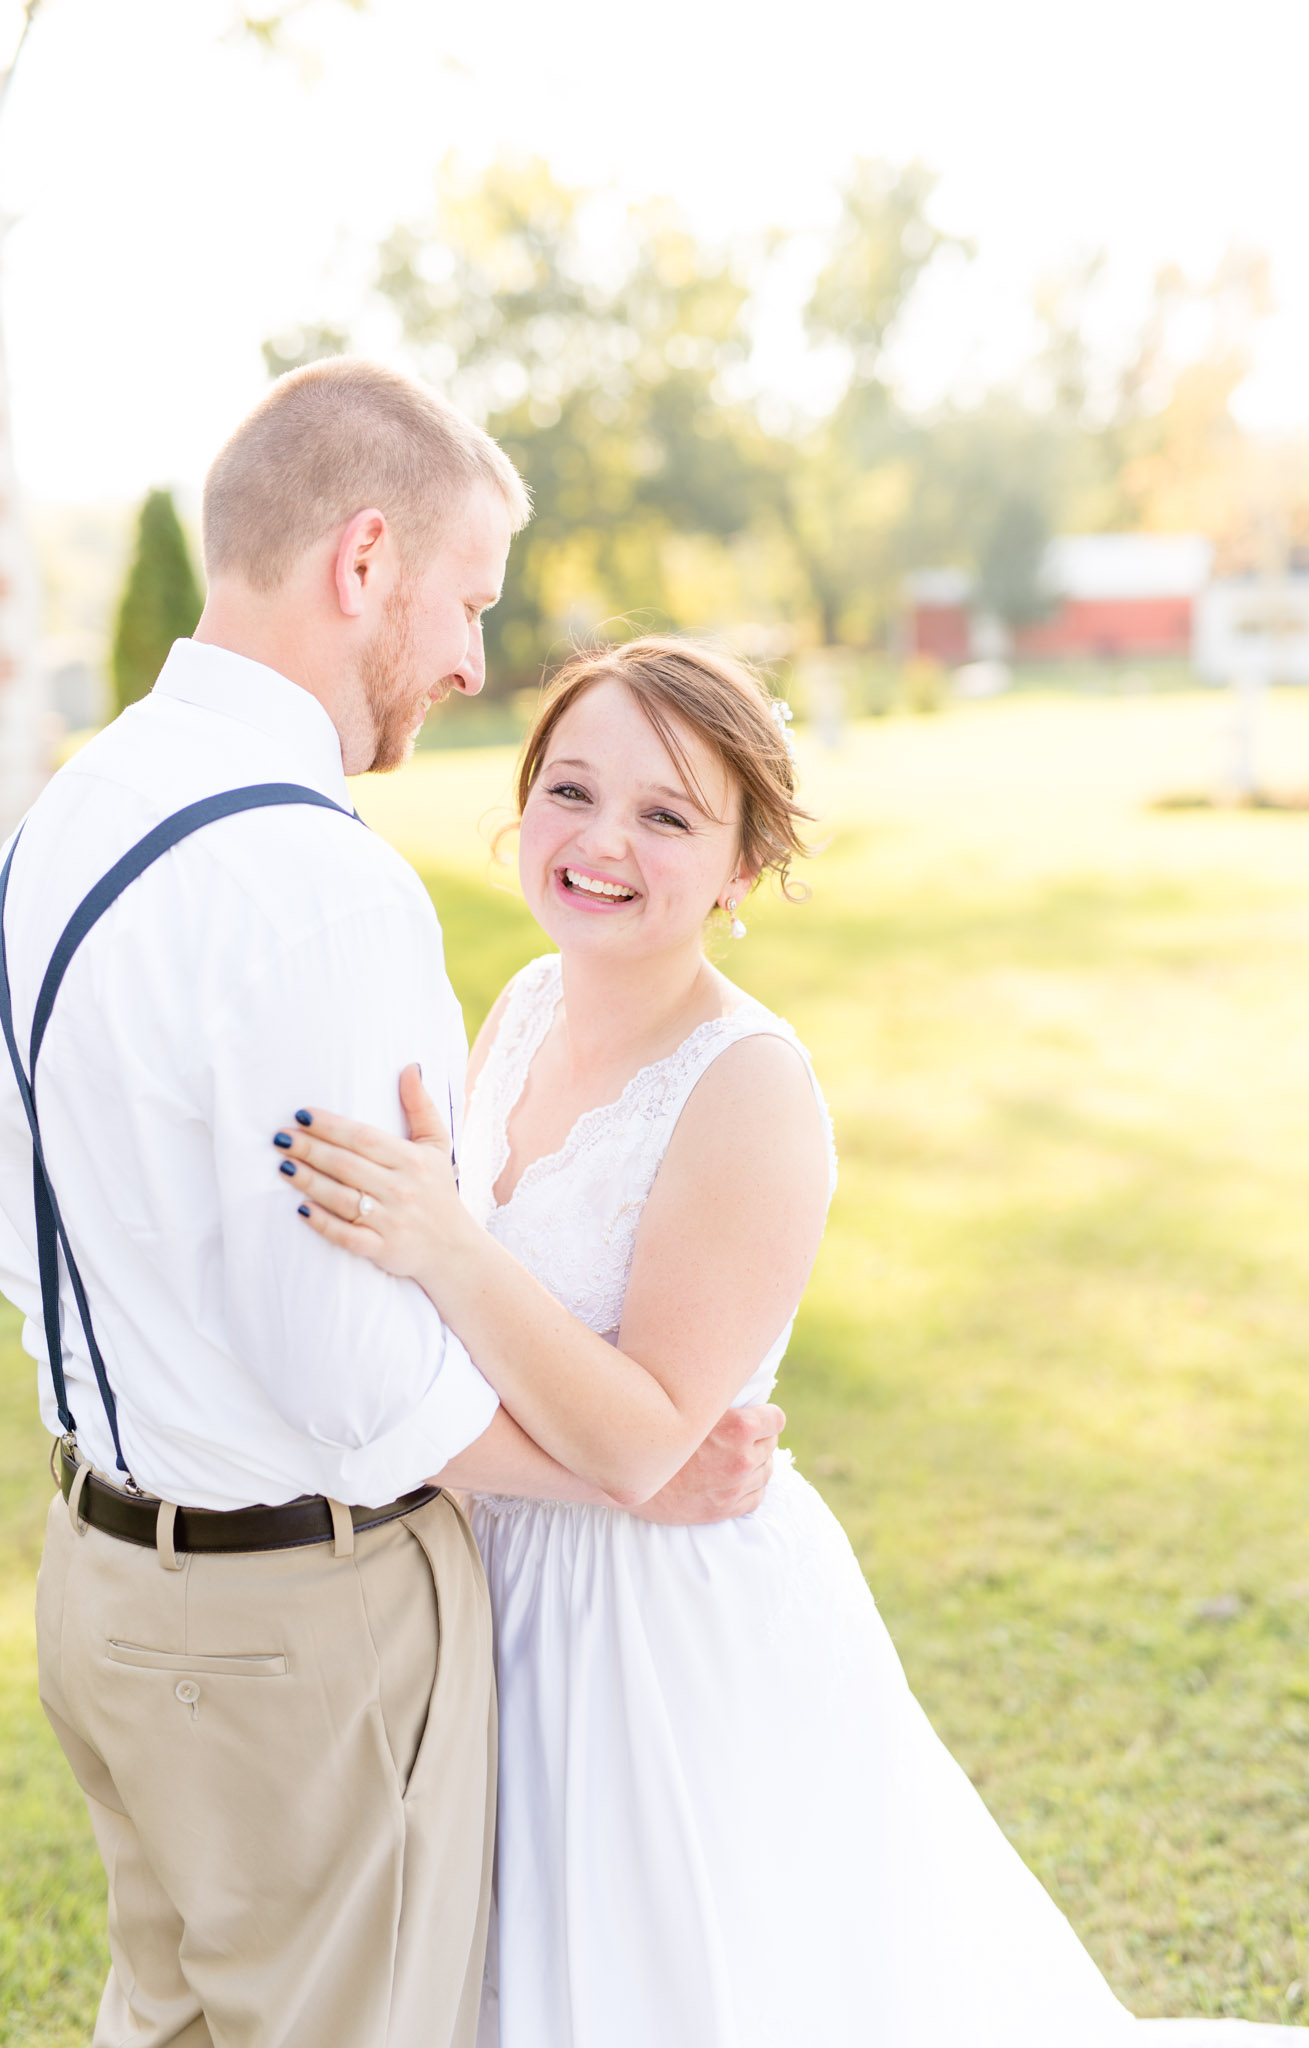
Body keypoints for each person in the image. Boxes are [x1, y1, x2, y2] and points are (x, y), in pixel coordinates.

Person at [286, 636, 1309, 2048]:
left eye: (667, 816)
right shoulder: (524, 1006)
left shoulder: (748, 1089)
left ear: (739, 866)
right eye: (571, 791)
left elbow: (637, 1438)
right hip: (493, 1585)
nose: (602, 842)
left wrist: (444, 1242)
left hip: (656, 1633)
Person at [0, 365, 782, 2048]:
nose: (471, 665)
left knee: (171, 2020)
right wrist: (622, 1480)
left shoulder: (68, 811)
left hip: (101, 1584)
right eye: (471, 600)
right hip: (300, 1636)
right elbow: (365, 1394)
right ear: (366, 561)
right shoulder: (316, 888)